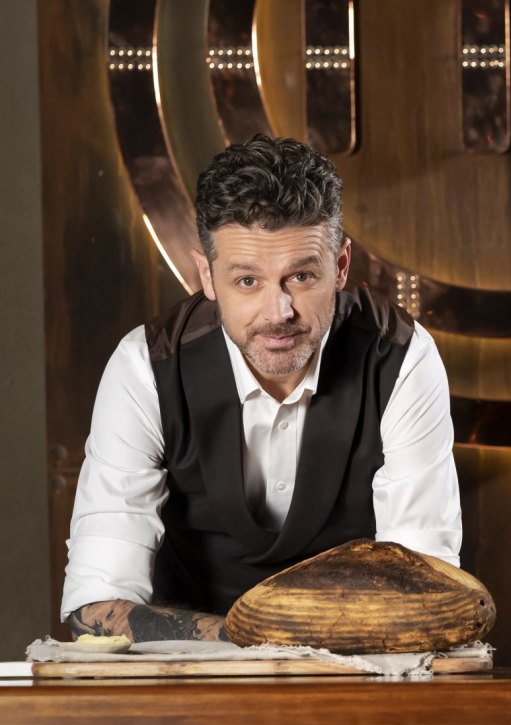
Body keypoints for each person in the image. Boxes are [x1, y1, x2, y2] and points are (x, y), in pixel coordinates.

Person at [61, 134, 461, 643]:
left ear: (340, 266)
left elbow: (423, 590)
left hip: (360, 675)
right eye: (247, 281)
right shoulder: (145, 367)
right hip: (188, 676)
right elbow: (94, 608)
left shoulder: (401, 358)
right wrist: (252, 644)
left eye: (300, 276)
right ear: (206, 276)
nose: (279, 314)